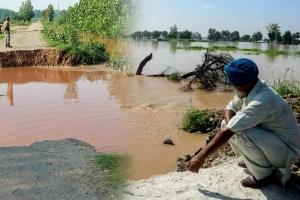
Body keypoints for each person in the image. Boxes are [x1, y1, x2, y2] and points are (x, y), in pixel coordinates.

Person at [187, 58, 300, 188]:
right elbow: (229, 108)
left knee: (241, 131)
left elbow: (228, 132)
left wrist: (200, 157)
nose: (232, 85)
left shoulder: (263, 100)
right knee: (227, 124)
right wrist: (232, 126)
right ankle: (250, 160)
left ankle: (265, 176)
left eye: (233, 83)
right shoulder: (251, 86)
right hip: (274, 142)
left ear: (241, 84)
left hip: (287, 151)